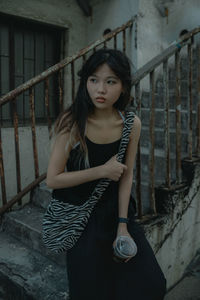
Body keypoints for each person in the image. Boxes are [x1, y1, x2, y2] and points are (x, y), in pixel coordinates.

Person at [46, 48, 166, 300]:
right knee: (89, 290)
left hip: (116, 213)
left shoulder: (131, 124)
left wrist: (123, 225)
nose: (100, 89)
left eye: (110, 81)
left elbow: (126, 175)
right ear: (85, 82)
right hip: (81, 216)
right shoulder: (72, 122)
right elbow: (53, 179)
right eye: (94, 80)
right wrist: (101, 171)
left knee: (151, 284)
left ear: (122, 87)